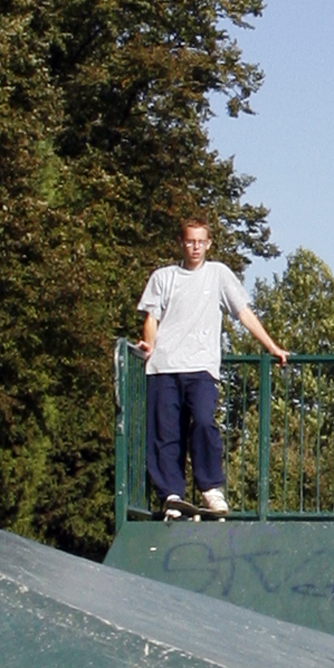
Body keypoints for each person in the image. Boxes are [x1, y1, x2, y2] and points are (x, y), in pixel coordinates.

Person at [135, 219, 288, 519]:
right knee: (166, 433)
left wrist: (271, 346)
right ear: (182, 242)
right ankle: (171, 495)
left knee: (205, 422)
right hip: (164, 366)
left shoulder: (218, 274)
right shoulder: (164, 277)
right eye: (190, 241)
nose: (195, 247)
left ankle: (210, 489)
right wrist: (149, 345)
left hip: (201, 367)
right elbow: (151, 318)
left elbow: (243, 313)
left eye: (200, 242)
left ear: (209, 244)